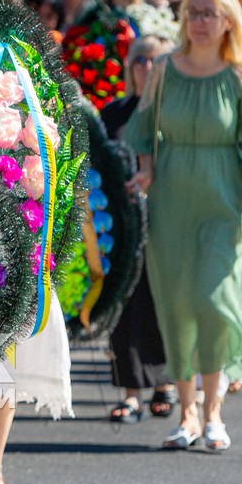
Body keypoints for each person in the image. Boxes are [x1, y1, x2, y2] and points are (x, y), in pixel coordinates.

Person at [124, 0, 242, 452]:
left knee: (214, 302)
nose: (199, 20)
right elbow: (146, 130)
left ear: (228, 20)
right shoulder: (165, 70)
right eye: (193, 11)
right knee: (176, 307)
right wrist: (147, 171)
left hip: (223, 201)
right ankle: (187, 412)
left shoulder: (241, 75)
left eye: (209, 13)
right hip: (172, 200)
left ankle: (214, 411)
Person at [100, 35, 178, 423]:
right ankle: (130, 392)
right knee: (124, 306)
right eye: (140, 60)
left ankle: (164, 383)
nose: (147, 67)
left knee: (161, 301)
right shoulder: (114, 112)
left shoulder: (176, 111)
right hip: (122, 222)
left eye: (156, 60)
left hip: (168, 218)